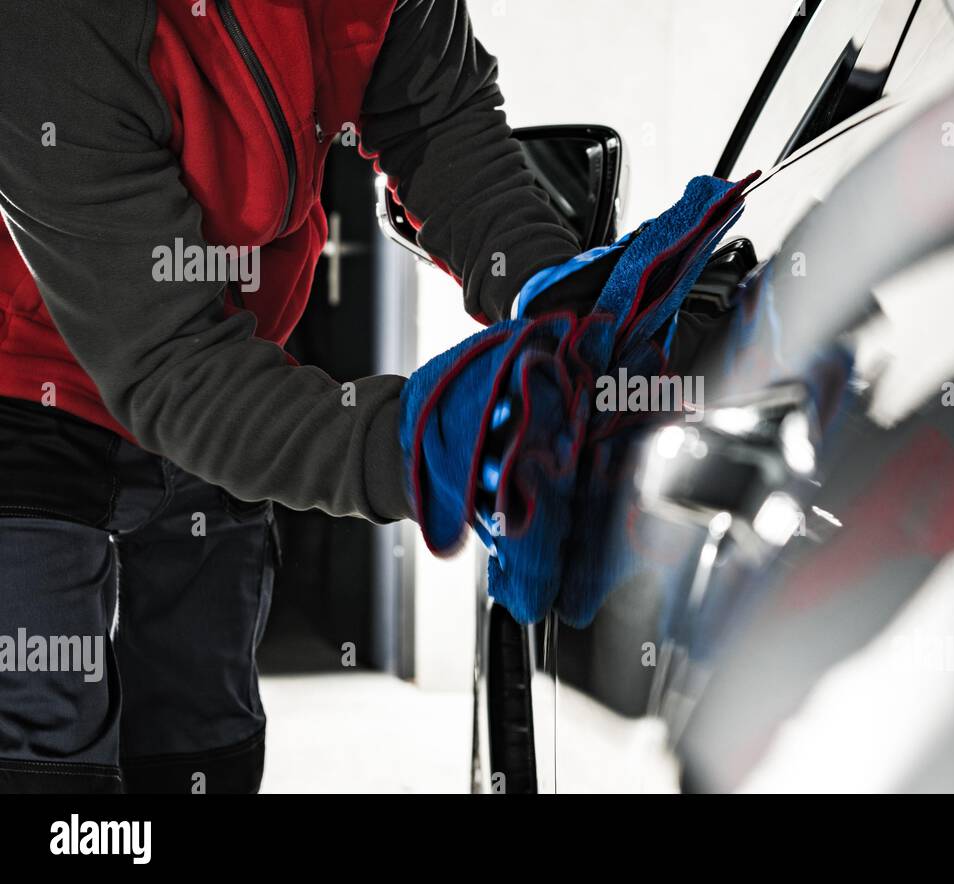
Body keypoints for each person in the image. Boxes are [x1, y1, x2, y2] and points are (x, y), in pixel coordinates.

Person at [0, 0, 586, 794]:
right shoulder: (49, 24)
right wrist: (426, 445)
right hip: (28, 385)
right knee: (44, 769)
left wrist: (565, 306)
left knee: (203, 752)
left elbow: (442, 127)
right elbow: (170, 366)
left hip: (230, 373)